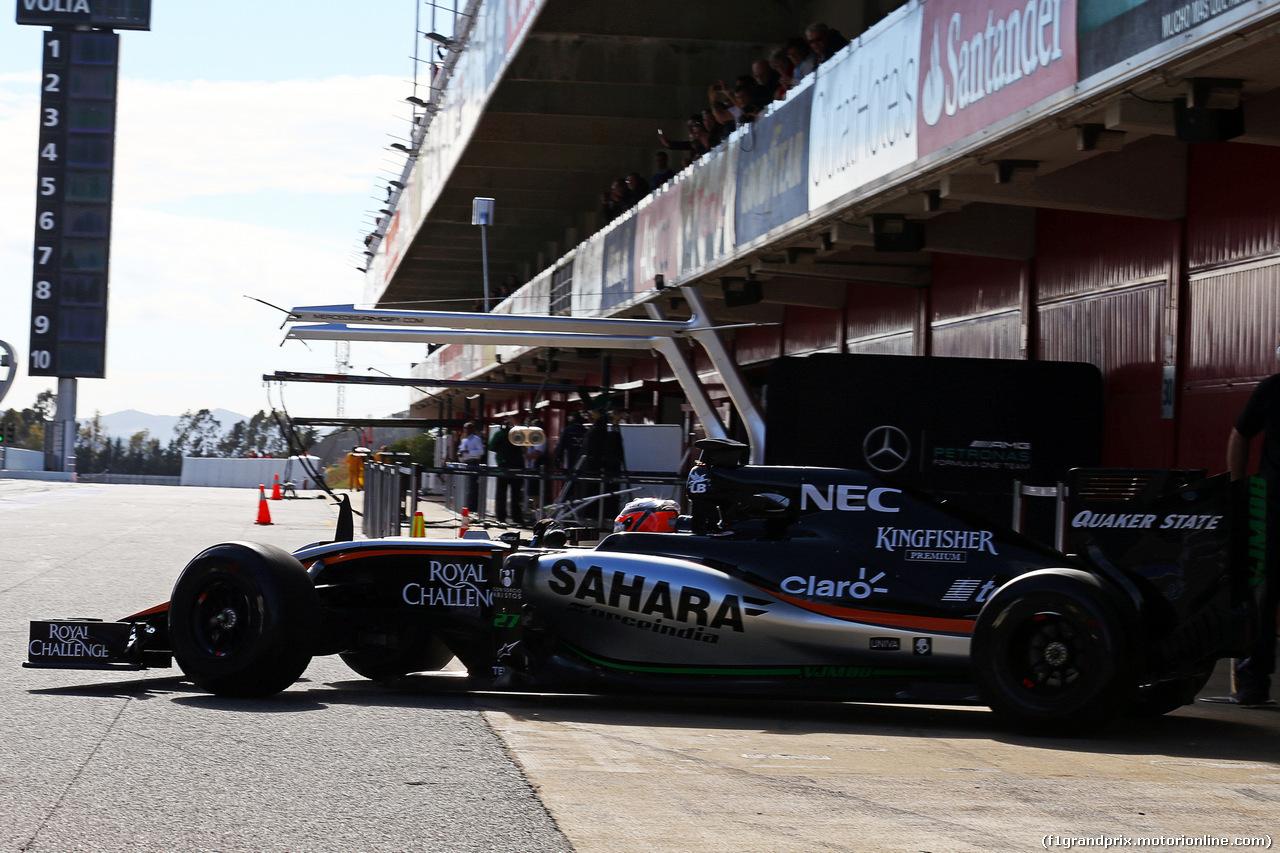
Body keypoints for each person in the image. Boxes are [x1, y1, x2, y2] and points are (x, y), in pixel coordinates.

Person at [1226, 352, 1280, 707]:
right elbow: (1240, 435)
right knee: (1261, 588)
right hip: (1268, 498)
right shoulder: (1272, 390)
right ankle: (1252, 680)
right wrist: (1238, 487)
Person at [488, 416, 525, 525]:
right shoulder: (517, 434)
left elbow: (491, 447)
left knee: (501, 494)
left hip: (503, 466)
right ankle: (517, 517)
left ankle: (501, 517)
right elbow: (524, 447)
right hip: (517, 466)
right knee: (516, 495)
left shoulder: (499, 434)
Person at [457, 421, 485, 513]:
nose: (467, 430)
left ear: (473, 429)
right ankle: (466, 505)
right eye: (465, 428)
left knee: (473, 486)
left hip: (473, 462)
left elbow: (481, 452)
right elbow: (461, 450)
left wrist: (469, 452)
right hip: (465, 462)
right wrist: (460, 454)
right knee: (466, 486)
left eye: (469, 428)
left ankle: (473, 507)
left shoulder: (476, 439)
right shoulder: (464, 439)